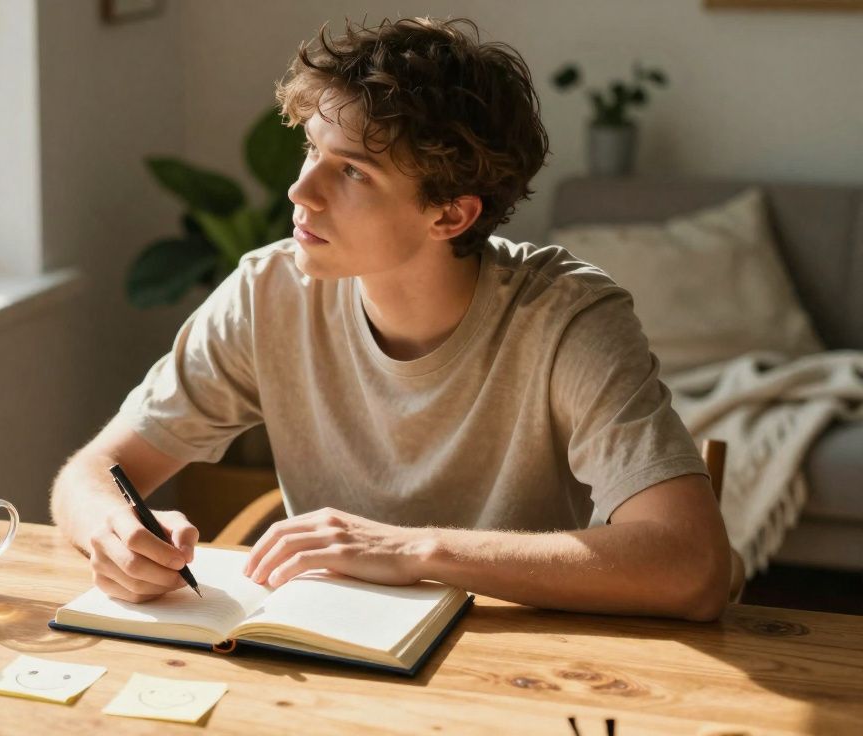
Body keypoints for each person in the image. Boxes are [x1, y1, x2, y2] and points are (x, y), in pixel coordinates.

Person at [49, 16, 731, 621]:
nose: (299, 190)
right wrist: (114, 532)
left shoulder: (567, 319)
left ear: (450, 213)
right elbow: (92, 473)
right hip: (326, 653)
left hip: (520, 668)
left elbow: (694, 566)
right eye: (313, 149)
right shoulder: (268, 292)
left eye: (352, 173)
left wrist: (414, 549)